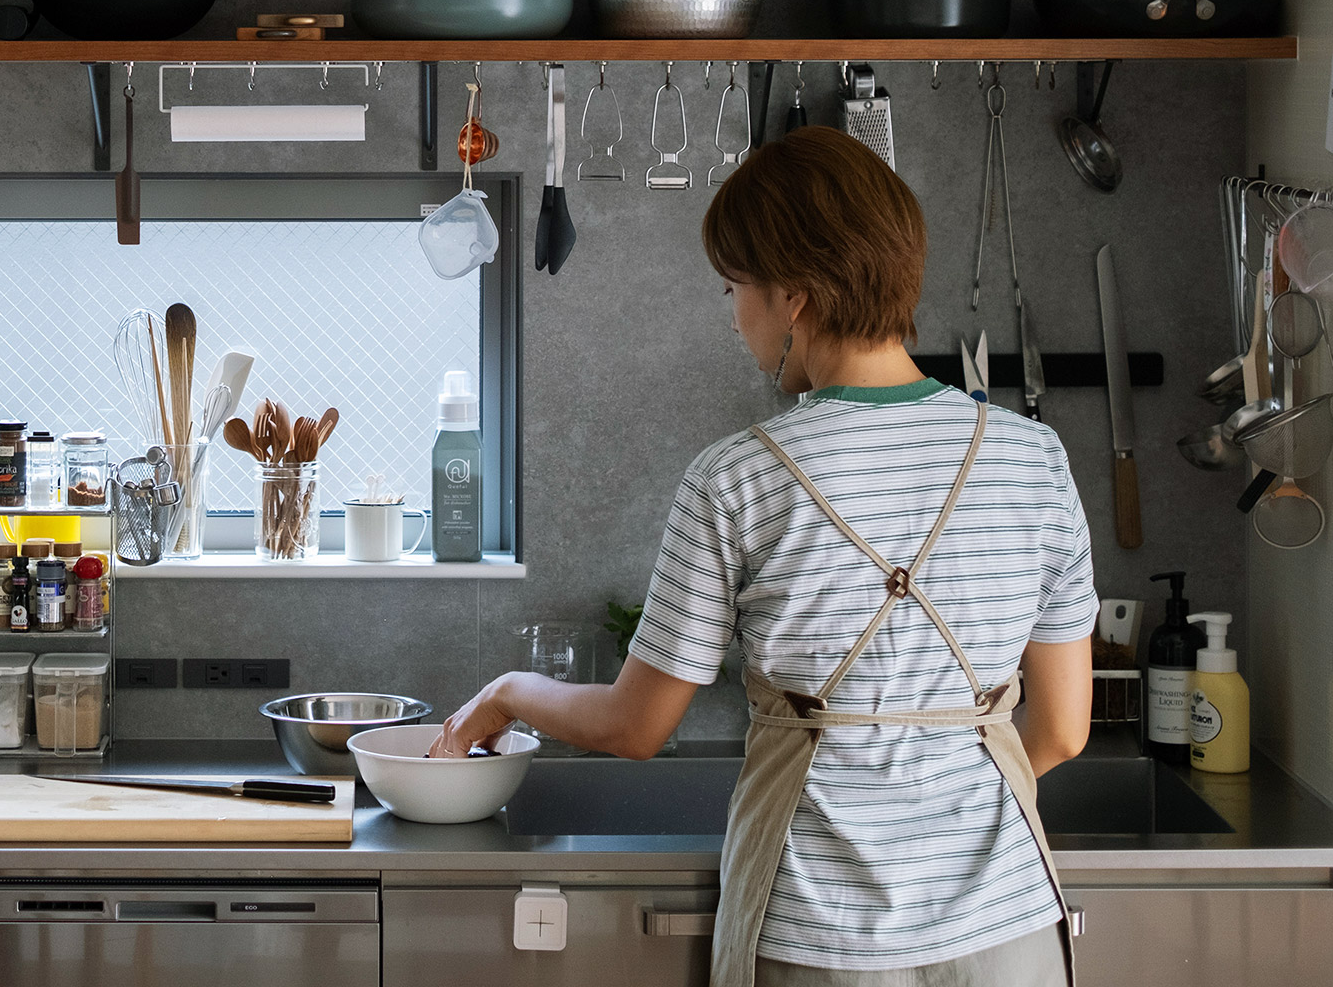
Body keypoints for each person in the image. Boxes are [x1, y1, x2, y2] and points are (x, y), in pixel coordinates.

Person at [431, 126, 1094, 987]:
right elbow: (1064, 730)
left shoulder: (736, 478)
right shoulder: (1033, 458)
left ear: (796, 298)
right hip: (1008, 934)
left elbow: (637, 727)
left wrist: (507, 692)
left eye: (737, 286)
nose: (735, 314)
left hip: (820, 939)